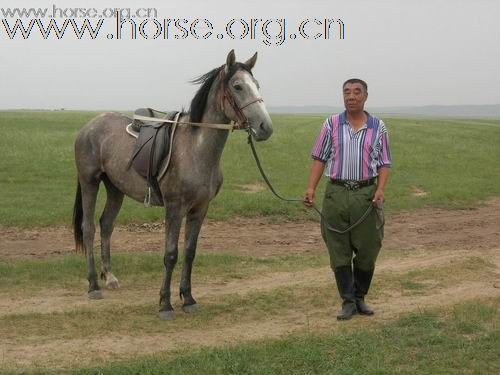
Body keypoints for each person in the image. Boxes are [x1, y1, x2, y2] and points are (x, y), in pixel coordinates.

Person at [304, 78, 392, 320]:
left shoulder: (378, 127)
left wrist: (380, 189)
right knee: (338, 249)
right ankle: (348, 301)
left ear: (365, 96)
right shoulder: (331, 124)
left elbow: (384, 162)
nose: (351, 96)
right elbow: (319, 158)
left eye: (356, 92)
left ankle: (360, 297)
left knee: (368, 248)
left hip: (367, 195)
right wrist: (311, 188)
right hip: (336, 193)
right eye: (346, 92)